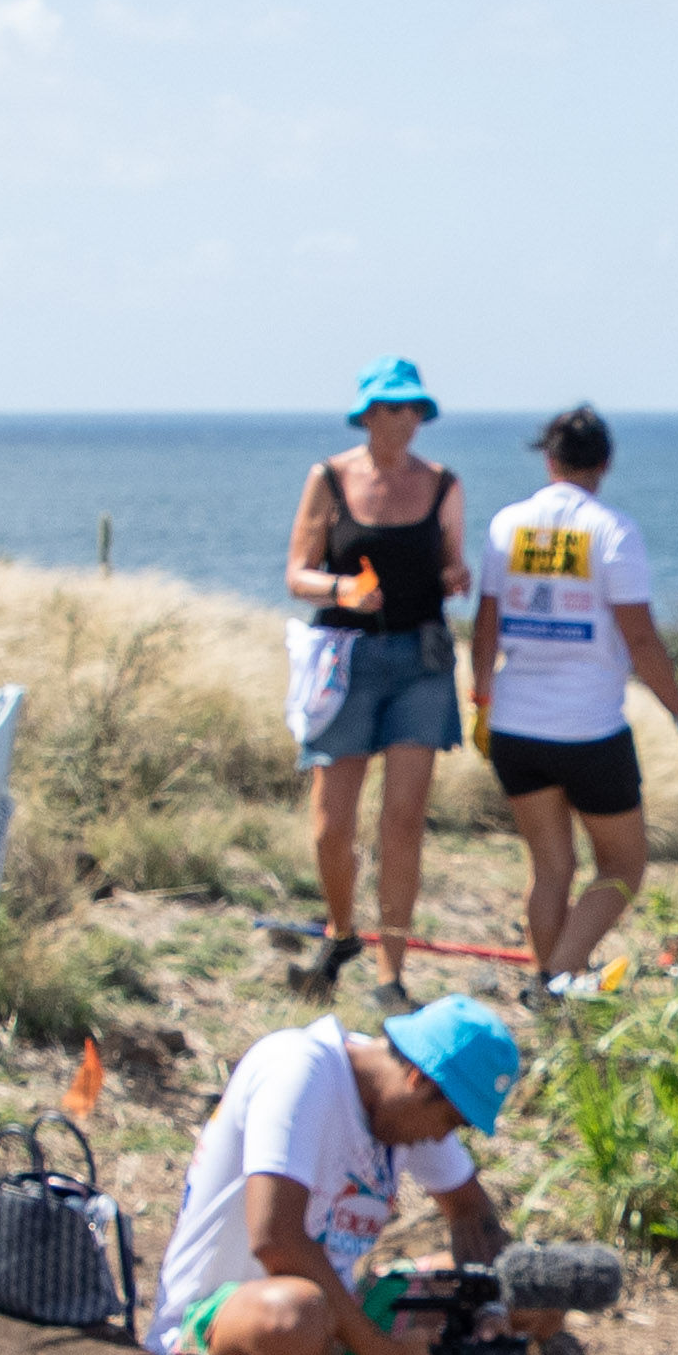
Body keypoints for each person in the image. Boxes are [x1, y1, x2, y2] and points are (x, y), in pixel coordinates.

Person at [152, 997, 525, 1355]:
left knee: (463, 1292)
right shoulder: (298, 1071)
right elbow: (275, 1240)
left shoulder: (400, 1106)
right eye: (446, 1120)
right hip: (210, 1346)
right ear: (419, 1078)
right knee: (296, 1310)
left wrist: (489, 1312)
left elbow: (473, 1214)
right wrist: (382, 1352)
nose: (437, 1138)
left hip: (317, 1339)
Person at [461, 402, 678, 988]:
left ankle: (556, 990)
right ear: (606, 462)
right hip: (588, 728)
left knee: (550, 868)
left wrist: (483, 702)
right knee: (623, 866)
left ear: (549, 459)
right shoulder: (612, 530)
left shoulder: (506, 525)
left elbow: (484, 624)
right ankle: (559, 980)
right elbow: (640, 636)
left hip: (516, 723)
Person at [283, 358, 467, 1002]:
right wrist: (341, 589)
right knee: (332, 825)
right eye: (395, 407)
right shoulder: (329, 479)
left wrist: (455, 579)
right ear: (367, 415)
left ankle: (392, 973)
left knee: (404, 820)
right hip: (344, 660)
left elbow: (452, 566)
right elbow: (296, 574)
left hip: (421, 660)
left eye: (416, 408)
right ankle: (340, 930)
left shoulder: (444, 485)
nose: (408, 419)